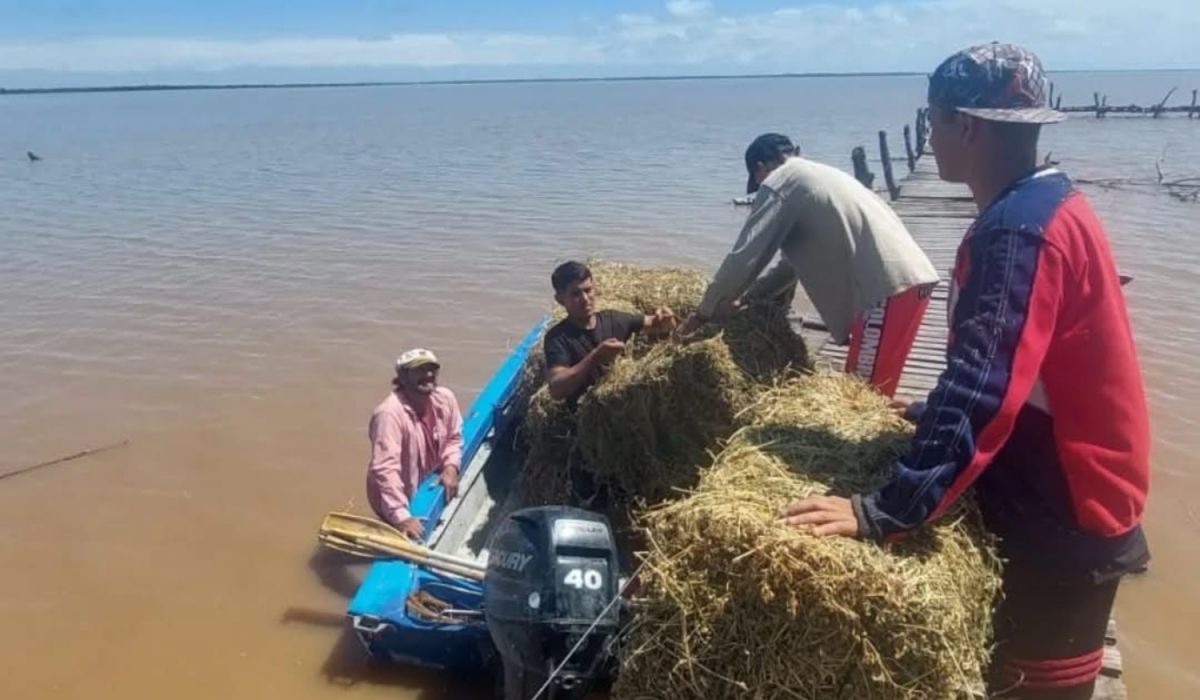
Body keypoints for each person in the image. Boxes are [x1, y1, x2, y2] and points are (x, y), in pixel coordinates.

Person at [780, 43, 1151, 699]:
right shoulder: (1051, 203)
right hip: (1082, 477)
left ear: (965, 126)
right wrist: (928, 413)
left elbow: (984, 386)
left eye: (931, 119)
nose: (929, 133)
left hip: (1068, 508)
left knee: (1026, 688)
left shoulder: (1015, 231)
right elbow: (1026, 362)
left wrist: (883, 512)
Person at [680, 133, 940, 398]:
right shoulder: (816, 175)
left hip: (886, 291)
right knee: (872, 393)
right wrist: (746, 299)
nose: (760, 187)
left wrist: (704, 312)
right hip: (906, 281)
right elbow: (787, 270)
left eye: (757, 181)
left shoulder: (781, 182)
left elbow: (745, 256)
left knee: (863, 399)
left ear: (760, 168)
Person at [543, 261, 676, 403]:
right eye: (575, 294)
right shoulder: (557, 338)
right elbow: (556, 389)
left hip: (622, 405)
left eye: (588, 290)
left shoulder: (614, 319)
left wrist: (666, 317)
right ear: (560, 299)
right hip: (586, 414)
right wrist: (595, 358)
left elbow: (659, 325)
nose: (585, 299)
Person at [366, 348, 464, 540]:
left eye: (432, 369)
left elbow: (455, 437)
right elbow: (386, 470)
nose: (428, 375)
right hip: (391, 492)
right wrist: (401, 517)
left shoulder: (445, 398)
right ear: (402, 378)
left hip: (423, 477)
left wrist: (451, 467)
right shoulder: (389, 415)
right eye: (419, 370)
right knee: (400, 538)